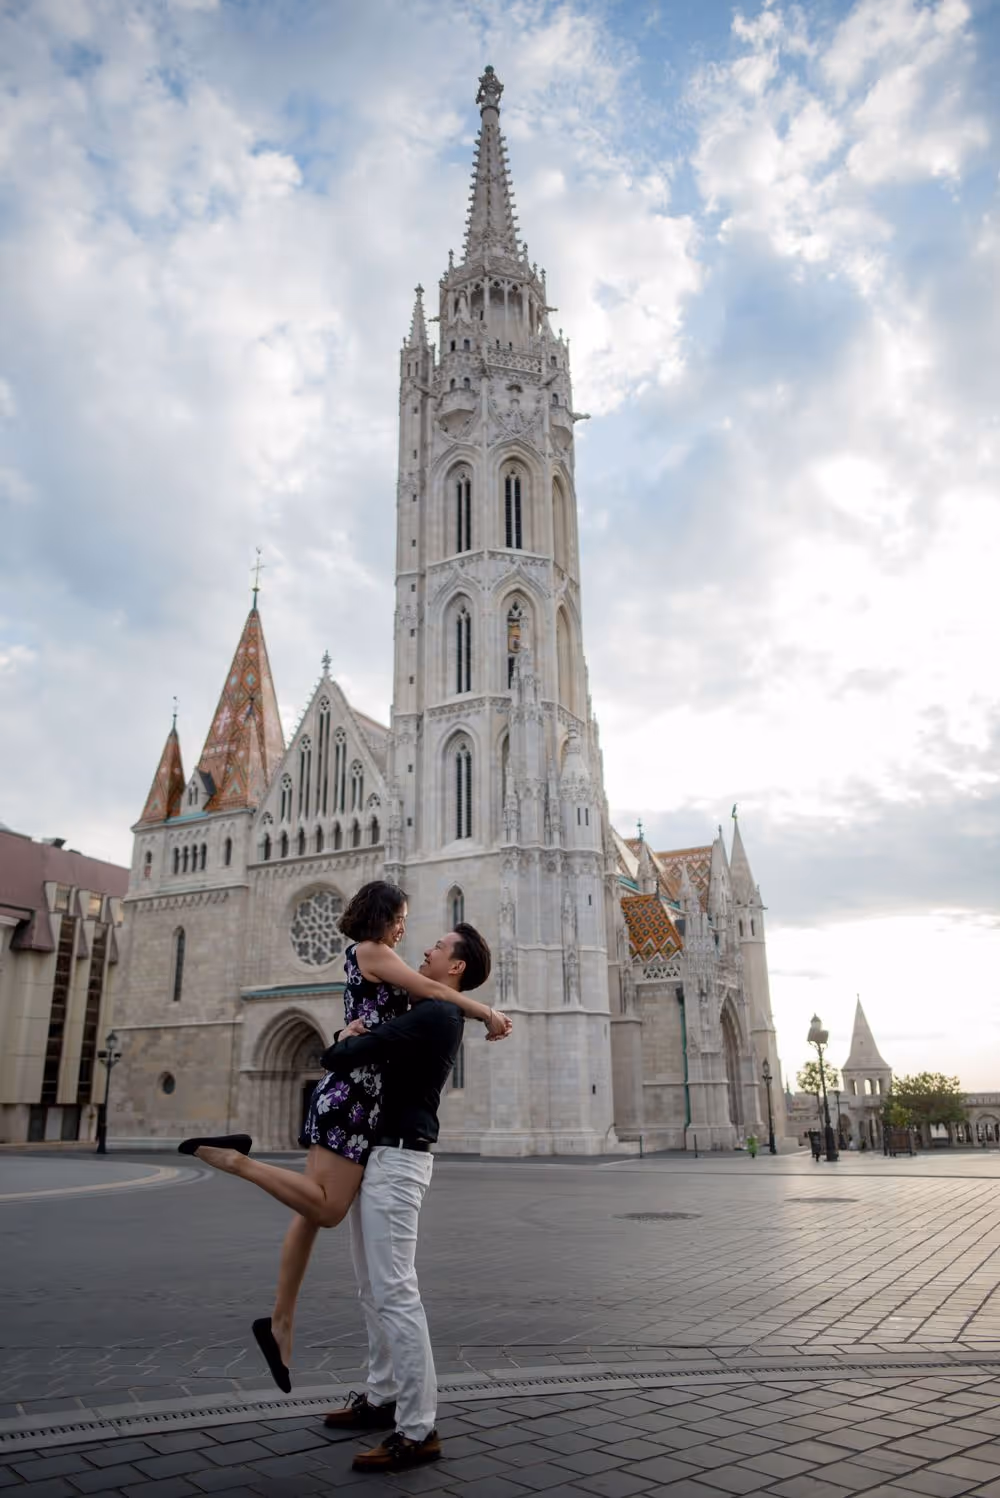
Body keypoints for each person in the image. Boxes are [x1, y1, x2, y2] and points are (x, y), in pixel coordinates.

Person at [178, 881, 510, 1392]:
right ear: (382, 916)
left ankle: (280, 1323)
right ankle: (237, 1160)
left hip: (347, 1087)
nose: (408, 931)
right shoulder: (376, 952)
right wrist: (486, 1011)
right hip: (356, 1093)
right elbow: (438, 993)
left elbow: (417, 1003)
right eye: (401, 917)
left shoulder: (370, 954)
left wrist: (341, 1039)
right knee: (327, 1210)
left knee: (311, 1212)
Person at [320, 920, 492, 1474]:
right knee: (372, 1287)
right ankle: (382, 1395)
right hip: (381, 1156)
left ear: (456, 967)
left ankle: (418, 1428)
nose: (425, 948)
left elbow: (342, 1057)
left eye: (439, 947)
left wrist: (347, 1038)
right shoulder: (429, 1009)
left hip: (398, 1159)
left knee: (396, 1292)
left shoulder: (438, 1013)